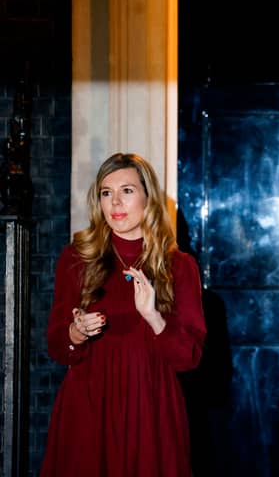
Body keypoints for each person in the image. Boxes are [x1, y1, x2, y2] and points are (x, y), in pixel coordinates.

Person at [40, 152, 207, 477]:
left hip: (152, 405)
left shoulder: (179, 266)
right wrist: (76, 333)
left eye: (127, 191)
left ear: (148, 197)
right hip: (89, 403)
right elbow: (58, 347)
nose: (115, 202)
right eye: (106, 192)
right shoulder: (77, 258)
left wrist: (153, 317)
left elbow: (189, 358)